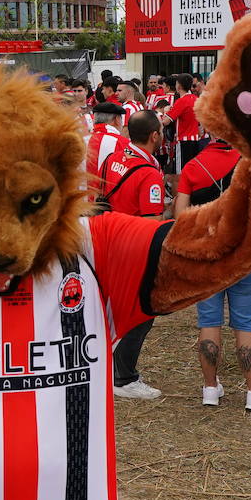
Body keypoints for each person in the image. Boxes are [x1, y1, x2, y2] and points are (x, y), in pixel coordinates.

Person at [176, 133, 251, 410]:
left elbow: (180, 218)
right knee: (245, 324)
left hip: (207, 258)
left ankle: (210, 388)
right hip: (243, 258)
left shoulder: (193, 166)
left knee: (208, 322)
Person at [100, 110, 167, 399]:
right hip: (132, 251)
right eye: (161, 132)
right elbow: (149, 225)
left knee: (110, 311)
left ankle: (107, 368)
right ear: (154, 136)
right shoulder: (149, 174)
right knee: (141, 312)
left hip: (107, 243)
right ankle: (124, 378)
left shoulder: (112, 159)